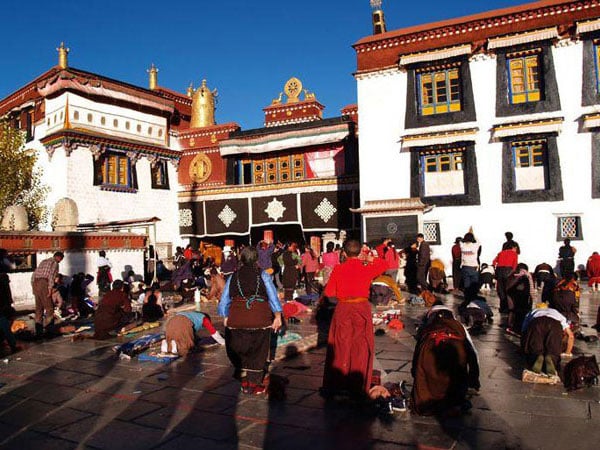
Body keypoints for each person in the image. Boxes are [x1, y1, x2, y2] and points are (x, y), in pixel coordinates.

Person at [321, 239, 387, 398]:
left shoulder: (338, 269)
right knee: (361, 345)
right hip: (361, 309)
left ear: (343, 252)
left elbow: (329, 293)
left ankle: (339, 383)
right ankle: (357, 383)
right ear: (360, 252)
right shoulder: (366, 268)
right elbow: (384, 265)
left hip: (343, 308)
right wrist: (368, 258)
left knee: (341, 345)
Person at [218, 246, 282, 395]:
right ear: (256, 259)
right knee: (258, 351)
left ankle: (244, 380)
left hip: (236, 318)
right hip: (259, 319)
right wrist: (277, 316)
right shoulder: (263, 275)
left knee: (240, 348)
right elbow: (272, 296)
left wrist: (225, 316)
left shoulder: (233, 276)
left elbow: (224, 300)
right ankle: (254, 384)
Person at [411, 305, 480, 416]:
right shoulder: (458, 327)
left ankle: (426, 403)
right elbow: (473, 355)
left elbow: (416, 358)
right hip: (454, 364)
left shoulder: (427, 328)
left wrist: (416, 376)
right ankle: (453, 403)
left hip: (429, 359)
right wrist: (474, 381)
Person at [521, 305, 574, 378]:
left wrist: (523, 348)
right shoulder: (556, 312)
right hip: (554, 324)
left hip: (537, 322)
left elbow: (524, 331)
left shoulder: (533, 311)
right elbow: (570, 336)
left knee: (535, 347)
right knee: (553, 349)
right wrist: (567, 353)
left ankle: (536, 357)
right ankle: (551, 358)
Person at [31, 251, 64, 337]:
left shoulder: (43, 261)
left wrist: (33, 288)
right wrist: (49, 288)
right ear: (59, 258)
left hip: (35, 283)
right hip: (44, 283)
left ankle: (39, 331)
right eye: (61, 260)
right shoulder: (54, 263)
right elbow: (51, 275)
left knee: (39, 308)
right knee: (49, 308)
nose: (60, 261)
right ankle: (49, 331)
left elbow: (34, 275)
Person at [506, 263, 535, 335]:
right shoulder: (528, 276)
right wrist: (532, 298)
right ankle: (521, 328)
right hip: (525, 298)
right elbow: (531, 289)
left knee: (513, 312)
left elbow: (508, 287)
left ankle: (511, 326)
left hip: (514, 297)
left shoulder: (513, 275)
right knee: (522, 314)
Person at [0, 249, 18, 353]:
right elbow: (12, 266)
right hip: (2, 302)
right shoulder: (3, 274)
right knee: (4, 323)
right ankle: (12, 344)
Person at [493, 243, 518, 313]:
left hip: (499, 270)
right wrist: (512, 272)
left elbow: (494, 262)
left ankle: (502, 307)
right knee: (508, 290)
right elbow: (515, 265)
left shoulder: (500, 253)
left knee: (501, 290)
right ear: (512, 247)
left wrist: (496, 270)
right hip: (508, 270)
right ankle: (508, 307)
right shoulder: (514, 254)